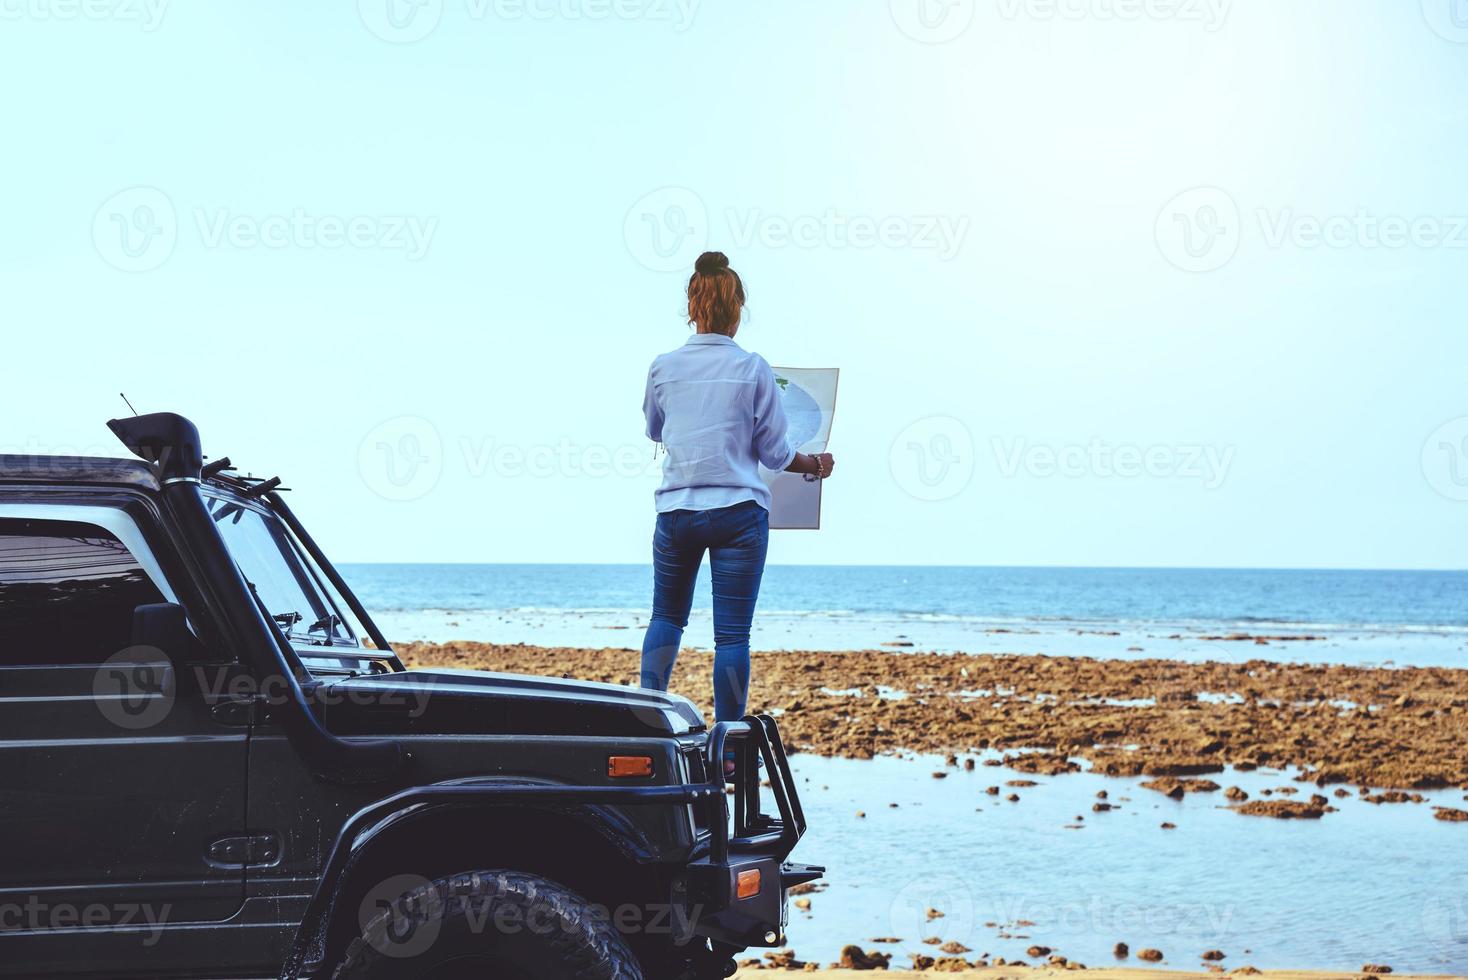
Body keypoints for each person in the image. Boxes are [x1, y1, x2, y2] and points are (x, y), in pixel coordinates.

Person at [639, 251, 835, 735]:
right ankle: (726, 747)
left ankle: (644, 723)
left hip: (678, 511)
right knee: (731, 635)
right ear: (737, 309)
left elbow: (654, 429)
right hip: (738, 514)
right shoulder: (753, 368)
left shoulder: (663, 367)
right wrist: (814, 465)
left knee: (666, 616)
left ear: (692, 305)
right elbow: (774, 453)